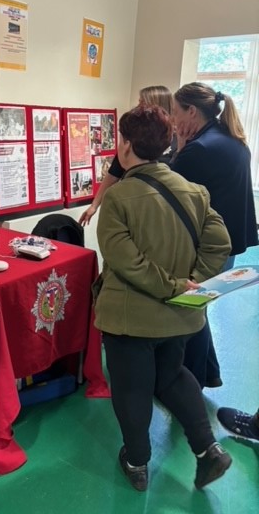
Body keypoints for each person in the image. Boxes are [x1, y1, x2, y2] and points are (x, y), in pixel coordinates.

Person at [94, 104, 232, 491]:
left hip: (130, 319)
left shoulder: (119, 198)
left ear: (124, 147)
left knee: (132, 389)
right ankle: (208, 451)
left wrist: (173, 285)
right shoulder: (195, 192)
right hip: (180, 319)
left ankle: (137, 462)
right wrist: (194, 281)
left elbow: (125, 261)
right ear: (168, 144)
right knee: (171, 376)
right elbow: (220, 242)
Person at [171, 82, 258, 389]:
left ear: (192, 111)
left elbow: (167, 187)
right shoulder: (233, 140)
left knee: (189, 312)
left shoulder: (200, 149)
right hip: (230, 245)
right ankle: (209, 373)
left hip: (210, 248)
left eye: (175, 112)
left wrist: (180, 149)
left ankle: (190, 384)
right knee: (198, 306)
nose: (173, 121)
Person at [79, 85, 174, 226]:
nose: (138, 107)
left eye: (143, 102)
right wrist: (94, 205)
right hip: (132, 201)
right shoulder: (133, 136)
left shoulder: (174, 141)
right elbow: (113, 173)